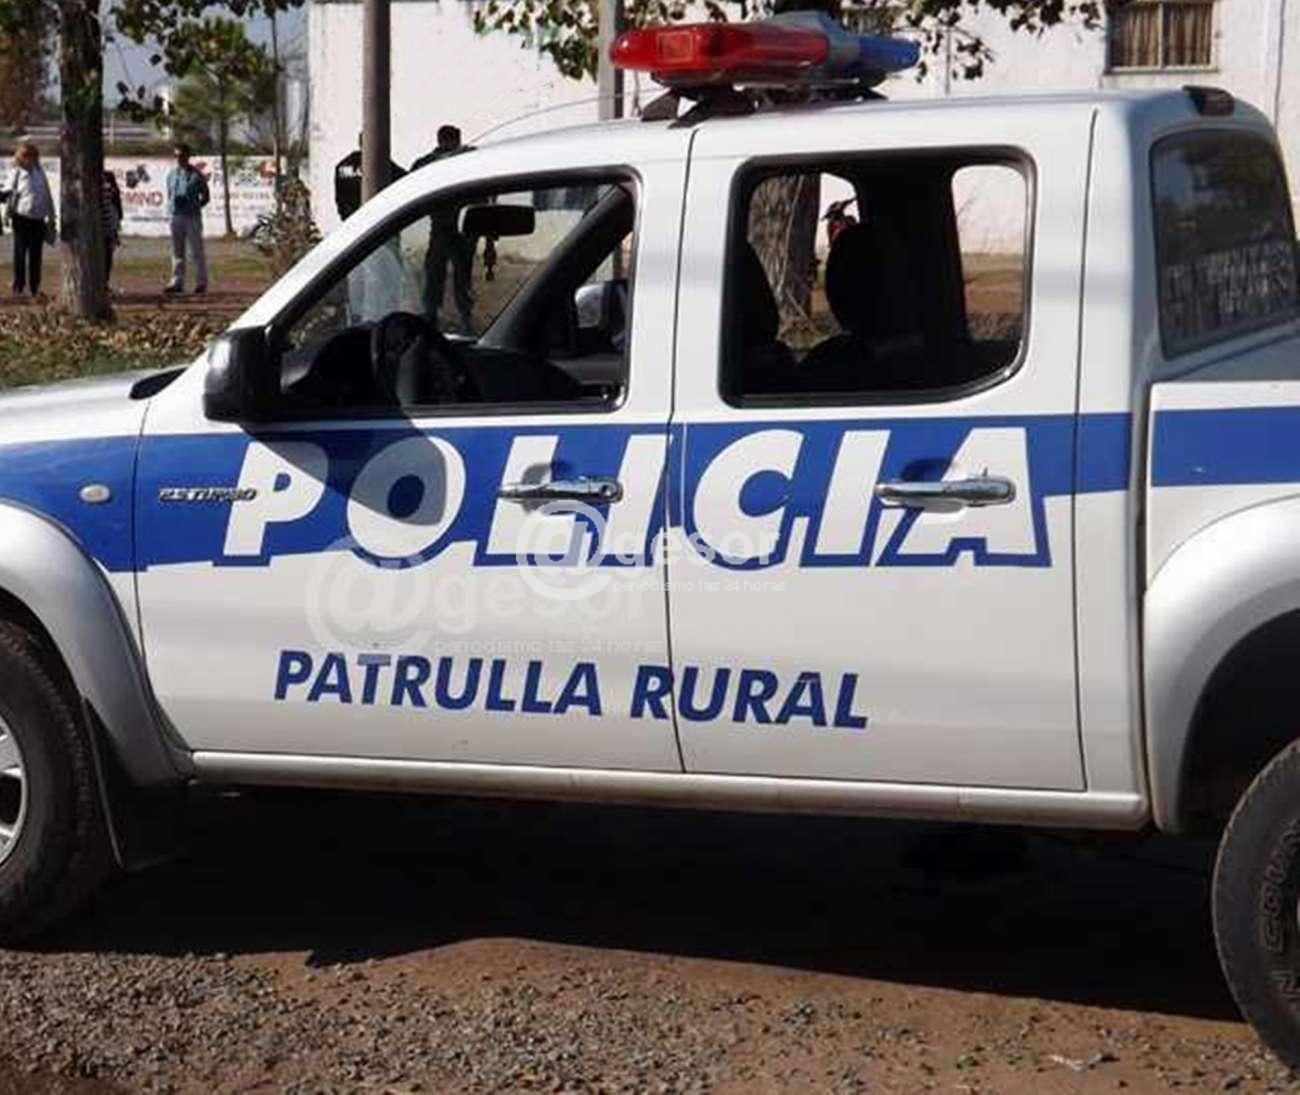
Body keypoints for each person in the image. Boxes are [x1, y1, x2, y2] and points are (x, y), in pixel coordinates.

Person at [412, 125, 475, 332]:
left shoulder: (427, 163)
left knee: (437, 274)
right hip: (459, 227)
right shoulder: (468, 159)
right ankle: (462, 318)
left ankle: (435, 316)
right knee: (458, 275)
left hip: (445, 226)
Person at [4, 141, 55, 298]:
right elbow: (8, 193)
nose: (30, 159)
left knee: (36, 254)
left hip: (38, 219)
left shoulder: (40, 172)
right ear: (21, 158)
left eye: (33, 156)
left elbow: (47, 193)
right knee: (20, 253)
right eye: (26, 156)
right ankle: (18, 286)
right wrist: (7, 214)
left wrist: (51, 215)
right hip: (21, 218)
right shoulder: (16, 173)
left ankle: (35, 287)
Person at [163, 144, 210, 295]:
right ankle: (177, 281)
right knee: (177, 251)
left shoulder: (196, 175)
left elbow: (206, 196)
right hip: (176, 216)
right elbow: (169, 194)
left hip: (192, 217)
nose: (179, 159)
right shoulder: (171, 175)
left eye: (182, 156)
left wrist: (194, 206)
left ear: (188, 156)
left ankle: (201, 282)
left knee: (196, 251)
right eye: (176, 156)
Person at [334, 132, 406, 222]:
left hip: (353, 222)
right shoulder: (381, 163)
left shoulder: (343, 166)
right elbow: (404, 181)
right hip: (375, 221)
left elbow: (340, 199)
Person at [101, 169, 124, 287]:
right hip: (103, 227)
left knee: (107, 255)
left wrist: (115, 229)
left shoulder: (111, 189)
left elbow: (118, 210)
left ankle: (104, 281)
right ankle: (102, 281)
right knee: (104, 256)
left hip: (109, 226)